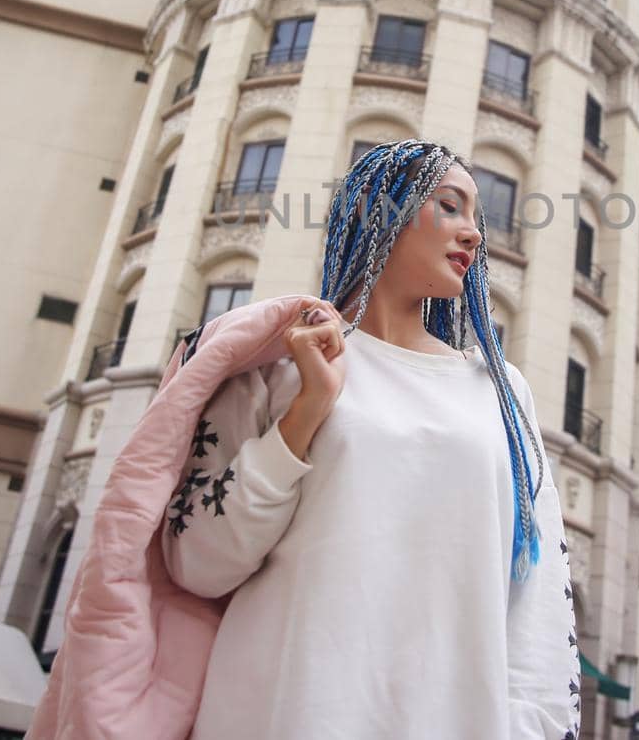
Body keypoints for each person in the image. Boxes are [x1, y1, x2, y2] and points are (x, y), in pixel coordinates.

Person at [162, 139, 580, 739]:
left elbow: (535, 599)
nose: (473, 235)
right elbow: (197, 562)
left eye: (477, 219)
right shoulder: (277, 364)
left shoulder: (501, 392)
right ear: (376, 212)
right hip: (280, 714)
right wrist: (308, 410)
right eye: (450, 206)